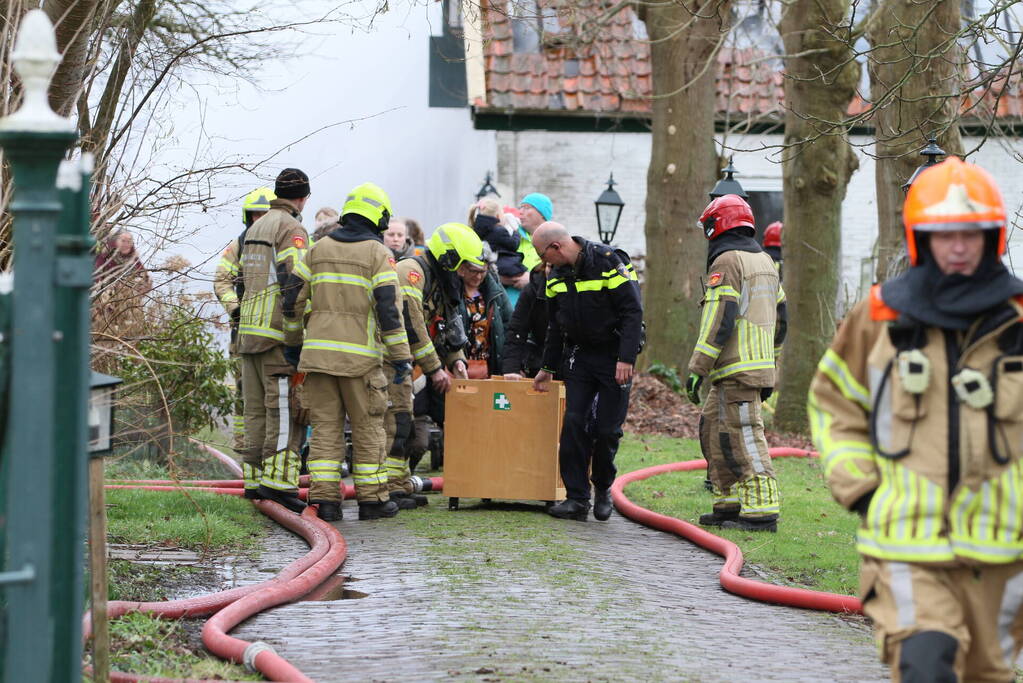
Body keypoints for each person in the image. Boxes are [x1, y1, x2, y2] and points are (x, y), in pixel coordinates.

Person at [809, 157, 1023, 681]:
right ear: (919, 237)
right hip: (907, 545)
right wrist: (861, 489)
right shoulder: (880, 317)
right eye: (943, 233)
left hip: (1005, 550)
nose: (956, 247)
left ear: (991, 237)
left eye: (969, 235)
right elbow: (835, 404)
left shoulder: (1019, 318)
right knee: (925, 663)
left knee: (987, 674)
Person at [285, 182, 411, 522]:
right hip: (361, 363)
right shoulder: (378, 254)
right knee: (368, 428)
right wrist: (400, 357)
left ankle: (326, 502)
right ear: (378, 216)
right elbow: (389, 310)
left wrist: (294, 345)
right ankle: (372, 500)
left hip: (319, 360)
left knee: (325, 430)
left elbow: (291, 297)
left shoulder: (317, 248)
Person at [686, 194, 786, 533]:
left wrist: (698, 367)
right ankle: (727, 502)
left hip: (736, 368)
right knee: (713, 429)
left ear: (717, 226)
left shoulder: (727, 261)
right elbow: (782, 317)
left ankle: (762, 508)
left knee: (742, 435)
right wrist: (769, 360)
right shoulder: (765, 262)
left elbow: (720, 317)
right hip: (746, 366)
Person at [532, 222, 643, 521]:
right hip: (579, 357)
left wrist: (626, 358)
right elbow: (555, 326)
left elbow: (633, 311)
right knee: (573, 424)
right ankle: (577, 498)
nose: (545, 264)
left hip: (613, 357)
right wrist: (547, 367)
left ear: (556, 247)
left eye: (545, 256)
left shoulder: (609, 263)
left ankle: (603, 486)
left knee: (607, 430)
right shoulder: (555, 277)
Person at [237, 168, 310, 512]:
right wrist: (296, 337)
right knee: (283, 411)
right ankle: (279, 484)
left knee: (254, 412)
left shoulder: (256, 226)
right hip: (276, 336)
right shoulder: (291, 228)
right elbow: (293, 283)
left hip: (249, 332)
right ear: (302, 198)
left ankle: (254, 483)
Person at [213, 186, 275, 454]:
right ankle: (244, 446)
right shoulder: (238, 245)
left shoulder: (285, 245)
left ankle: (272, 448)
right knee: (244, 394)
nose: (259, 220)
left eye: (265, 214)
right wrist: (236, 310)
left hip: (277, 334)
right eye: (255, 215)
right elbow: (221, 280)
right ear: (247, 217)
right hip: (243, 335)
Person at [458, 252, 513, 378]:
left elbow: (509, 323)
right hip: (457, 366)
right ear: (462, 269)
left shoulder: (494, 290)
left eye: (482, 271)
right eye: (473, 271)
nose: (478, 276)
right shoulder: (453, 290)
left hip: (487, 367)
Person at [502, 193, 550, 306]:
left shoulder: (554, 242)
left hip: (538, 310)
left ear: (543, 214)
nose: (520, 212)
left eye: (526, 207)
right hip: (507, 308)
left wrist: (532, 280)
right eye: (520, 207)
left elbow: (560, 277)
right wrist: (500, 277)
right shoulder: (510, 236)